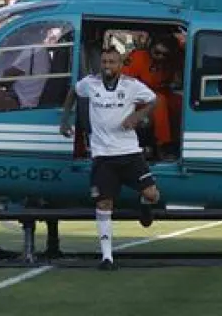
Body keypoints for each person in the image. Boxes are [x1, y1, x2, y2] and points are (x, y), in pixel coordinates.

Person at [59, 47, 160, 271]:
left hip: (130, 153)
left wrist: (138, 115)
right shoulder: (90, 83)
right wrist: (65, 120)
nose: (107, 66)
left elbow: (153, 100)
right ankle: (107, 258)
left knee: (152, 194)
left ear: (120, 64)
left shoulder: (131, 86)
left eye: (112, 62)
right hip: (103, 156)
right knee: (104, 204)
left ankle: (144, 205)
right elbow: (73, 93)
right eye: (104, 62)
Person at [121, 33, 183, 159]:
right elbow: (124, 84)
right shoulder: (138, 57)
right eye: (157, 52)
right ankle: (163, 145)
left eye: (165, 54)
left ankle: (178, 142)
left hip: (161, 92)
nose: (160, 57)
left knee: (180, 102)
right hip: (136, 98)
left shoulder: (172, 61)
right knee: (159, 100)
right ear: (151, 47)